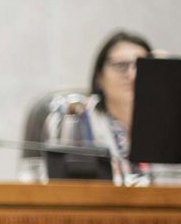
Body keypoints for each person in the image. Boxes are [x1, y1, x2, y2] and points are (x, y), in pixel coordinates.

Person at [43, 30, 153, 184]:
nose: (133, 75)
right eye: (122, 65)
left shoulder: (170, 124)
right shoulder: (78, 119)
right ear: (100, 77)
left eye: (142, 66)